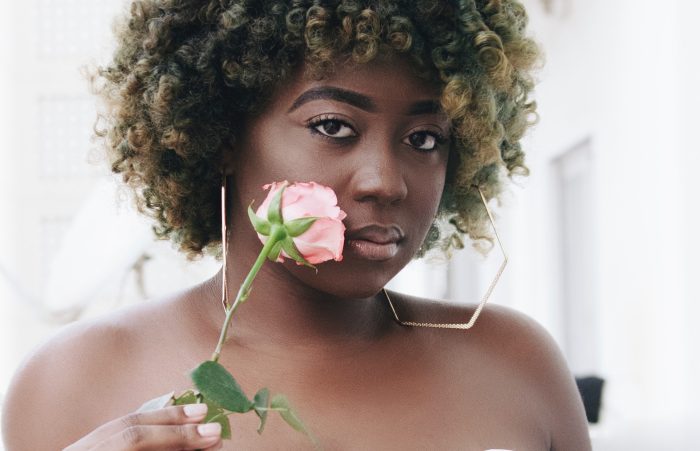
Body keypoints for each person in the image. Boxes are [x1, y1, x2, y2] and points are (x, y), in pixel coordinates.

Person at [2, 0, 592, 449]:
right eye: (333, 126)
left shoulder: (514, 367)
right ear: (223, 135)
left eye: (424, 138)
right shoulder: (73, 381)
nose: (386, 181)